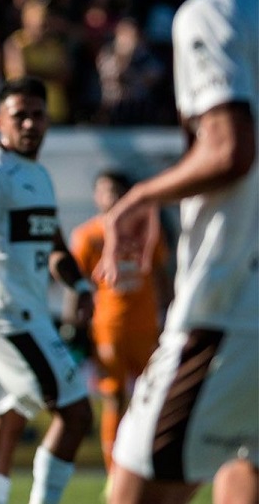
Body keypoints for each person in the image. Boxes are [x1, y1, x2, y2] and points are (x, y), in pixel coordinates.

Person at [94, 0, 258, 502]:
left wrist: (141, 196)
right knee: (243, 467)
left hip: (229, 307)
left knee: (132, 491)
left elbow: (229, 149)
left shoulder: (212, 12)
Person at [0, 76, 94, 504]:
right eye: (19, 116)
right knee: (76, 414)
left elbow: (54, 245)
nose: (30, 124)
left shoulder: (39, 174)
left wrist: (80, 284)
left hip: (24, 314)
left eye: (37, 115)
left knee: (4, 424)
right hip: (11, 319)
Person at [65, 170, 172, 473]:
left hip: (146, 327)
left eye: (114, 191)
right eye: (102, 191)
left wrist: (169, 316)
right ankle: (115, 471)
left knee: (151, 397)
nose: (108, 197)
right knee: (113, 397)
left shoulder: (147, 231)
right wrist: (72, 323)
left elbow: (161, 275)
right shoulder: (87, 235)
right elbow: (77, 283)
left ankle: (148, 466)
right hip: (108, 329)